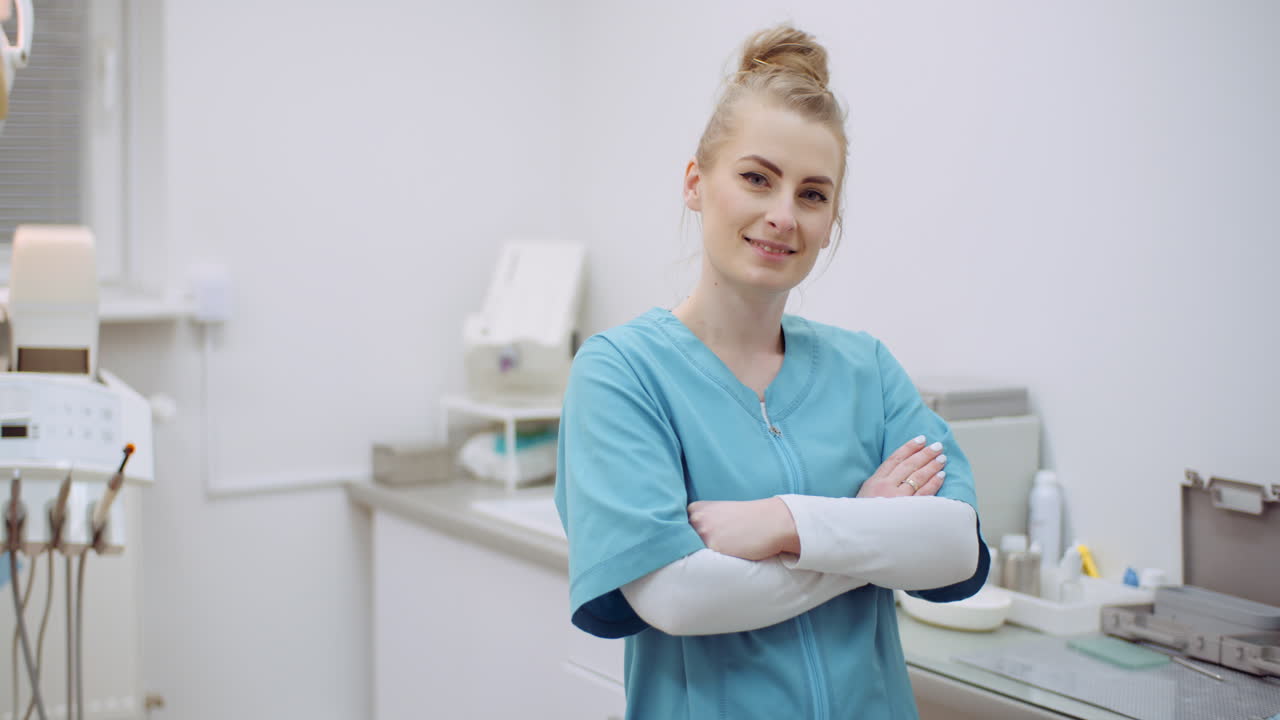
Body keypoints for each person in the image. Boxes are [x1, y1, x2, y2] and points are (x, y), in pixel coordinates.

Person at [555, 25, 989, 720]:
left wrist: (785, 521)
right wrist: (867, 528)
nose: (782, 216)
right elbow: (679, 597)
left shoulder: (865, 370)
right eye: (757, 178)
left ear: (830, 220)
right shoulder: (622, 374)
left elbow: (952, 544)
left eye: (813, 195)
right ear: (697, 183)